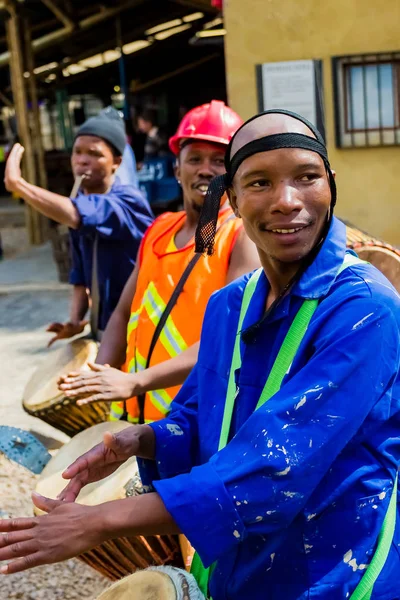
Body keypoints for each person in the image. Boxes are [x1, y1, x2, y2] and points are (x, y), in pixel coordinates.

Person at [1, 110, 399, 600]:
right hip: (243, 569)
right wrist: (141, 440)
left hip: (335, 575)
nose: (286, 201)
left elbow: (272, 467)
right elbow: (202, 414)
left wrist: (100, 521)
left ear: (330, 184)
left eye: (306, 177)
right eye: (260, 182)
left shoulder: (366, 309)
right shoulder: (231, 303)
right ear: (232, 198)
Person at [57, 100, 260, 425]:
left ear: (235, 173)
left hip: (192, 423)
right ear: (177, 169)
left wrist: (135, 382)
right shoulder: (160, 228)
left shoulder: (241, 238)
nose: (205, 169)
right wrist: (102, 374)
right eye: (194, 159)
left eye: (219, 161)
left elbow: (226, 339)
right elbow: (123, 312)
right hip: (136, 417)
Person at [4, 107, 154, 344]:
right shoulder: (78, 205)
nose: (83, 160)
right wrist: (74, 322)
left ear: (116, 162)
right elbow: (81, 276)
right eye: (78, 152)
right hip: (105, 328)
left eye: (94, 154)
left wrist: (20, 186)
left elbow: (77, 214)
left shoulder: (128, 201)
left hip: (141, 327)